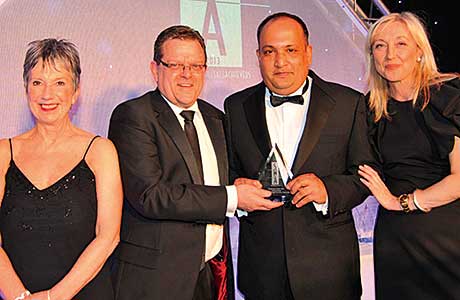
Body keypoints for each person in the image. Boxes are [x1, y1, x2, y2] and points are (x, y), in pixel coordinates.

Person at [108, 25, 279, 300]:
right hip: (156, 280)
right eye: (175, 64)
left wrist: (238, 185)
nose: (187, 74)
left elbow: (213, 185)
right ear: (155, 69)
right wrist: (233, 196)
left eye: (196, 65)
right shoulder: (133, 116)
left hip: (212, 275)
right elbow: (151, 195)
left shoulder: (216, 118)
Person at [224, 12, 375, 300]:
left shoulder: (348, 104)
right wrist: (240, 195)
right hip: (262, 271)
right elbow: (228, 172)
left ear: (308, 53)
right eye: (270, 52)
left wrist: (327, 190)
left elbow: (364, 175)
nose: (280, 62)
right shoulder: (235, 106)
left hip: (329, 271)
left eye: (290, 50)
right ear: (258, 56)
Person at [0, 38, 123, 300]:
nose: (47, 95)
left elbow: (108, 236)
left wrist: (53, 297)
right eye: (37, 83)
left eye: (59, 83)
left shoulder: (100, 151)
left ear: (75, 91)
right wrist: (20, 297)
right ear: (26, 89)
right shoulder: (3, 153)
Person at [358, 12, 460, 299]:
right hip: (394, 241)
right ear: (372, 56)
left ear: (419, 51)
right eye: (380, 45)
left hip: (446, 238)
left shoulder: (447, 99)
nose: (390, 54)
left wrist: (399, 202)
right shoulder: (370, 110)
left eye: (401, 44)